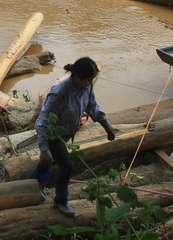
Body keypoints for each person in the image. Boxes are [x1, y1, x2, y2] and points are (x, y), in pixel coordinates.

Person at [30, 56, 116, 217]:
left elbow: (92, 106)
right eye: (89, 79)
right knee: (67, 166)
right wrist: (43, 149)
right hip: (53, 134)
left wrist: (106, 125)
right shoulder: (60, 92)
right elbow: (42, 122)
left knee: (47, 164)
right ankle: (60, 201)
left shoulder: (86, 87)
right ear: (77, 77)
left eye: (92, 79)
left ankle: (30, 186)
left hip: (67, 133)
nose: (91, 83)